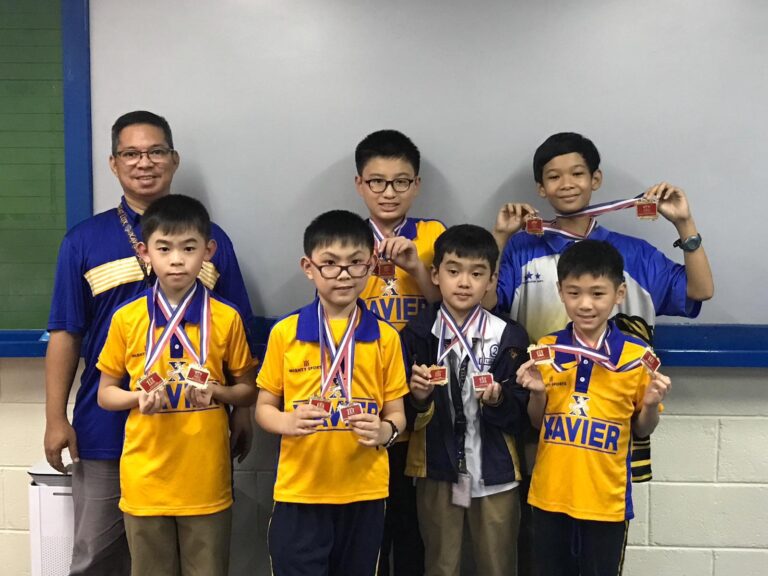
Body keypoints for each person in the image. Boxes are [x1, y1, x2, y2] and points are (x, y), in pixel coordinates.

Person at [43, 110, 255, 575]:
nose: (145, 162)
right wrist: (56, 417)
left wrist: (242, 411)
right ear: (113, 163)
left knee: (197, 557)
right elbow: (65, 333)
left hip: (192, 428)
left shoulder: (213, 239)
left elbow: (238, 333)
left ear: (174, 159)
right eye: (131, 153)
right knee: (97, 556)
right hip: (105, 425)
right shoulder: (83, 240)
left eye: (156, 151)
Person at [96, 194, 257, 576]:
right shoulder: (126, 318)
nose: (177, 260)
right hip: (145, 480)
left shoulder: (226, 318)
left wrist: (218, 392)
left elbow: (248, 390)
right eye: (164, 248)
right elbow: (105, 394)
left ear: (208, 251)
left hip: (205, 480)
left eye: (189, 248)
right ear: (144, 252)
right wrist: (136, 397)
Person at [255, 210, 408, 576]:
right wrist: (287, 422)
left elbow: (397, 414)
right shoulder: (286, 333)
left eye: (355, 263)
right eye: (330, 263)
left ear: (371, 265)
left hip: (365, 492)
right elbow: (263, 408)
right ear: (308, 268)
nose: (343, 274)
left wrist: (385, 431)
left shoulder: (386, 337)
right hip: (300, 491)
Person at [516, 240, 671, 575]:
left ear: (619, 293)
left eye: (598, 293)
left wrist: (650, 404)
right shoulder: (547, 349)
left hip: (606, 502)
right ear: (560, 292)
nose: (585, 304)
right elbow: (538, 423)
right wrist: (538, 394)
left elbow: (642, 429)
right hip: (549, 497)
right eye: (574, 293)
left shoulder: (637, 356)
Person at [489, 131, 714, 343]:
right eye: (554, 176)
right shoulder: (522, 249)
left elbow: (701, 291)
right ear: (541, 187)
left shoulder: (635, 254)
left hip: (623, 373)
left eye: (577, 174)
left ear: (595, 179)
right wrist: (500, 236)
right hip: (543, 372)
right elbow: (485, 303)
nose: (567, 184)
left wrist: (684, 223)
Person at [402, 224, 529, 576]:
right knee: (440, 565)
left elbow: (523, 413)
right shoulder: (417, 335)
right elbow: (399, 412)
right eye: (454, 271)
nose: (464, 282)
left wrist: (499, 400)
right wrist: (419, 398)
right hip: (436, 468)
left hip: (496, 469)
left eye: (476, 273)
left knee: (498, 565)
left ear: (491, 280)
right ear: (435, 275)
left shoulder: (509, 336)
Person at [355, 129, 445, 575]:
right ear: (360, 185)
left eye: (400, 182)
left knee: (413, 524)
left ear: (416, 185)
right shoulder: (347, 237)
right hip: (364, 392)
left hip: (419, 392)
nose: (388, 192)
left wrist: (416, 269)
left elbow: (452, 309)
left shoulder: (433, 235)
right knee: (369, 527)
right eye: (377, 181)